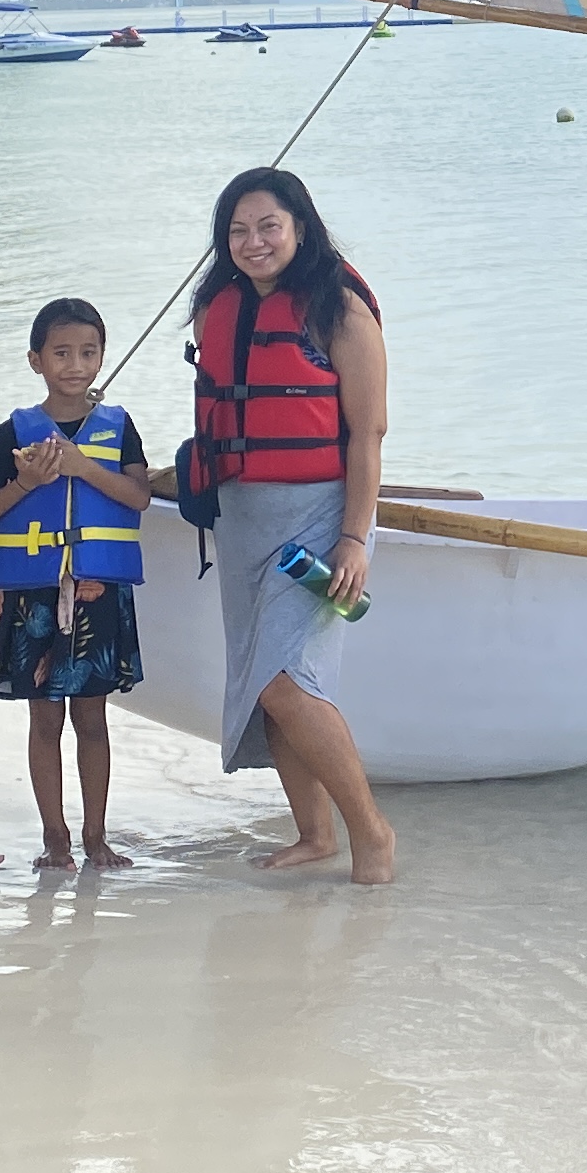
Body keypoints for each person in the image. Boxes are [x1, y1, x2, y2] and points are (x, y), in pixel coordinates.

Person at [189, 168, 396, 884]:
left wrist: (352, 539)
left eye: (268, 226)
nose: (253, 243)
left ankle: (371, 834)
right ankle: (315, 835)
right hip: (241, 517)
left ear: (300, 227)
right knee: (262, 684)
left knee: (283, 679)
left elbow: (366, 434)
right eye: (237, 231)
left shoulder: (339, 310)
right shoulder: (216, 306)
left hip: (316, 517)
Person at [0, 297, 152, 871]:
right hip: (30, 593)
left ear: (102, 358)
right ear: (36, 360)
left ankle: (97, 838)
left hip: (97, 592)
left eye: (88, 353)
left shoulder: (118, 429)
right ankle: (55, 840)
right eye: (62, 353)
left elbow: (138, 497)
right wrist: (26, 482)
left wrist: (82, 466)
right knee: (43, 719)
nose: (75, 364)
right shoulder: (13, 433)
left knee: (91, 720)